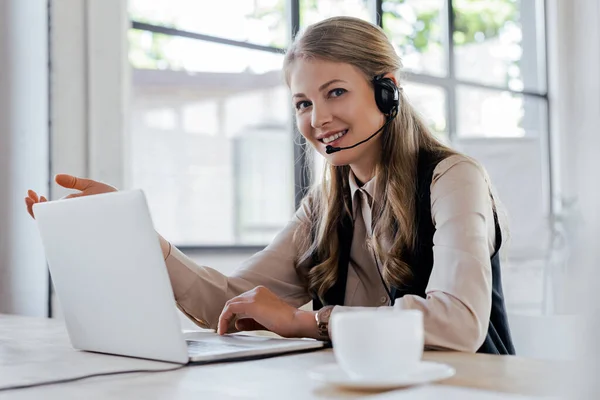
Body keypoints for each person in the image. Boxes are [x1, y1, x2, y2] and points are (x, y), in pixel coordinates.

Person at [25, 16, 514, 354]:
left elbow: (458, 322)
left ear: (387, 91)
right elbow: (233, 301)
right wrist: (133, 235)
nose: (318, 118)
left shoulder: (453, 178)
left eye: (335, 92)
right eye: (302, 103)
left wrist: (311, 321)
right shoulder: (325, 206)